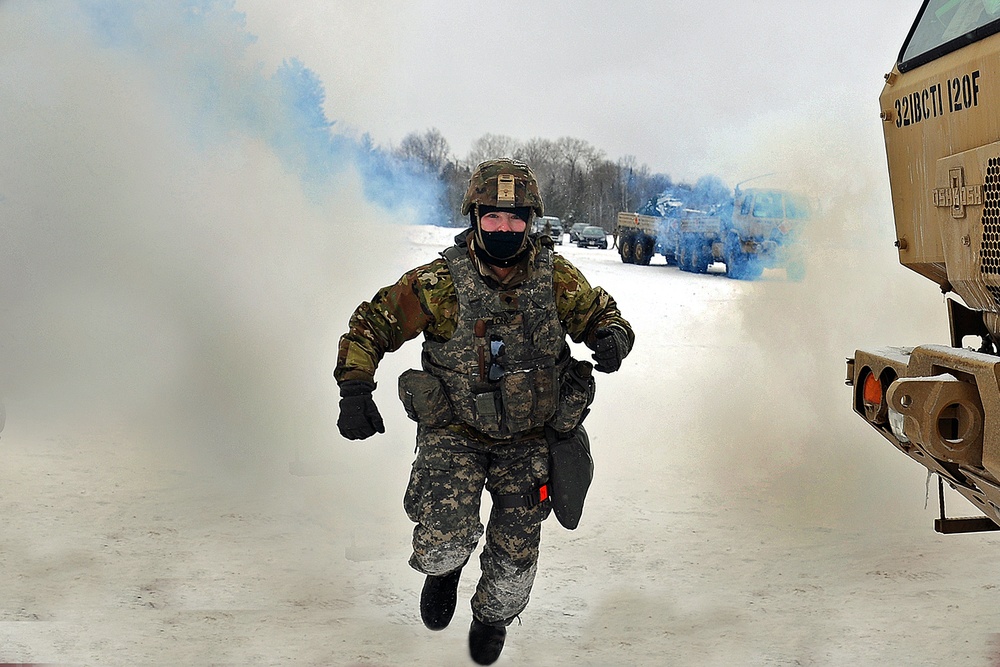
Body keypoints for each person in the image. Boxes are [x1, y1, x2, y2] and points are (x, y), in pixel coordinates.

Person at [334, 158, 633, 665]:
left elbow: (604, 315)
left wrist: (612, 338)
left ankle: (492, 617)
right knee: (442, 537)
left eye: (516, 219)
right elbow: (372, 323)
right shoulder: (439, 284)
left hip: (530, 437)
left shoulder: (555, 277)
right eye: (493, 217)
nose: (504, 228)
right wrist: (355, 388)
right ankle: (445, 570)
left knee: (516, 559)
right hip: (456, 429)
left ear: (531, 222)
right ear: (475, 217)